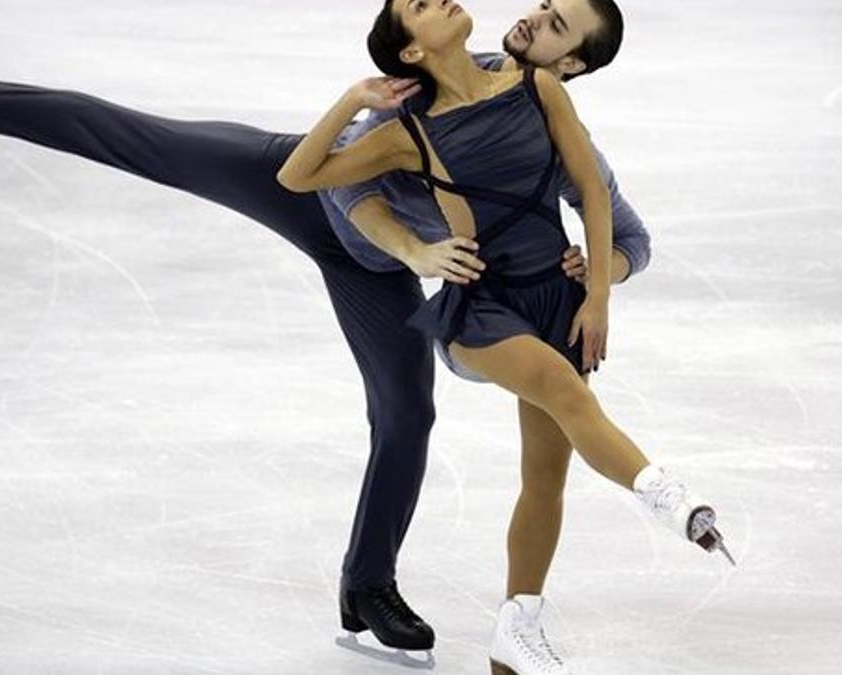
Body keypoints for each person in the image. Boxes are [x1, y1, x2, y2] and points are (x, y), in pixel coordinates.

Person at [0, 0, 655, 659]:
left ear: (573, 68)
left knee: (408, 416)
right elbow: (338, 179)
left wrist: (599, 276)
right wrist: (413, 244)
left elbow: (630, 237)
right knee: (144, 139)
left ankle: (366, 584)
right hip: (306, 194)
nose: (532, 16)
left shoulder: (557, 126)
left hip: (374, 277)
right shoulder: (445, 78)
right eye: (543, 6)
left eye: (555, 25)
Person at [277, 1, 733, 672]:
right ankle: (660, 487)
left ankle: (517, 629)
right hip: (481, 306)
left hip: (556, 297)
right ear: (412, 53)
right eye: (424, 7)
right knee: (555, 382)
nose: (447, 0)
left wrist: (598, 291)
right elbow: (298, 175)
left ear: (569, 61)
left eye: (555, 22)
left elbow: (597, 196)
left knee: (545, 477)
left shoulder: (537, 86)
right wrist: (352, 99)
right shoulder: (407, 129)